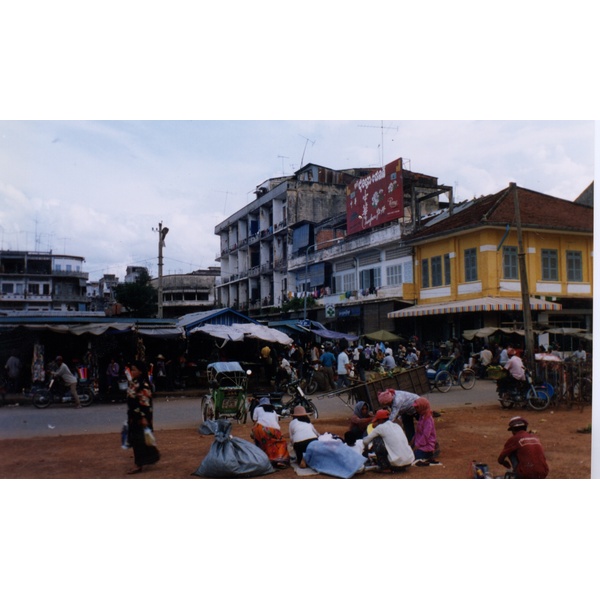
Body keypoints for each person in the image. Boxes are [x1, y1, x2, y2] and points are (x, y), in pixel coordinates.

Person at [125, 360, 160, 474]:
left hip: (140, 417)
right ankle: (146, 459)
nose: (132, 371)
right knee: (137, 440)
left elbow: (145, 403)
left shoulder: (143, 385)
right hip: (133, 416)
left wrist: (144, 417)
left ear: (140, 371)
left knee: (139, 440)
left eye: (134, 369)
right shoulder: (133, 383)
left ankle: (138, 464)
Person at [251, 397, 290, 468]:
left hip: (261, 429)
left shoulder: (257, 409)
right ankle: (280, 460)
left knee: (264, 443)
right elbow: (275, 423)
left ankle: (263, 458)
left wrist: (253, 432)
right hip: (274, 431)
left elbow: (255, 421)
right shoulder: (274, 411)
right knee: (280, 443)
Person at [412, 397, 439, 465]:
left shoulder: (428, 419)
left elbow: (426, 435)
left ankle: (430, 454)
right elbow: (418, 432)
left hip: (426, 445)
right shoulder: (422, 416)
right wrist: (412, 440)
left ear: (422, 407)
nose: (415, 409)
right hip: (420, 443)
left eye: (417, 407)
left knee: (413, 457)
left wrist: (417, 446)